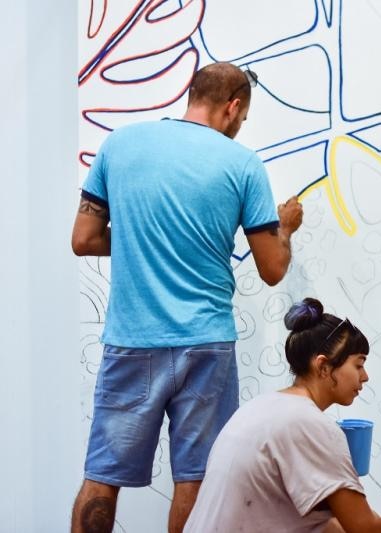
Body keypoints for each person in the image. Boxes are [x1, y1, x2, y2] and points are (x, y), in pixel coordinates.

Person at [70, 62, 304, 533]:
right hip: (205, 345)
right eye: (243, 117)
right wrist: (286, 228)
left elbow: (84, 239)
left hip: (132, 341)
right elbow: (273, 269)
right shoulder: (241, 164)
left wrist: (142, 237)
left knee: (101, 478)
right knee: (197, 482)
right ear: (233, 106)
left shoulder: (120, 145)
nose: (240, 127)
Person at [184, 297, 381, 532]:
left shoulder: (263, 407)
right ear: (324, 367)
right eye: (358, 364)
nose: (365, 377)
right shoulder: (309, 424)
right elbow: (365, 529)